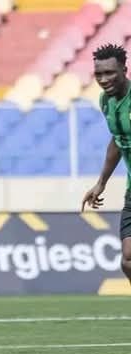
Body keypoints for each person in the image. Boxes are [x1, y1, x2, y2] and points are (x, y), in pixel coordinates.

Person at [82, 44, 131, 282]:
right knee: (128, 259)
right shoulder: (105, 101)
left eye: (110, 72)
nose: (103, 79)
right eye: (99, 74)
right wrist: (101, 182)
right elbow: (118, 140)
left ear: (124, 70)